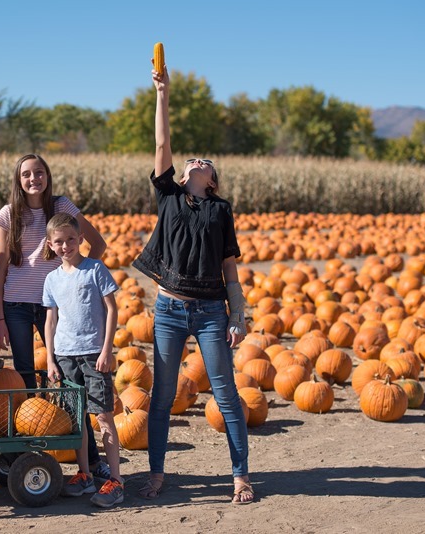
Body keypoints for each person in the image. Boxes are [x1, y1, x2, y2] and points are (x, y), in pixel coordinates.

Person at [132, 61, 253, 504]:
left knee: (226, 393)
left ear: (213, 180)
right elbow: (162, 141)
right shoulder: (168, 196)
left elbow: (230, 270)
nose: (195, 158)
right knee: (161, 396)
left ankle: (240, 476)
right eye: (191, 160)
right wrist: (162, 94)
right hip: (167, 310)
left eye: (205, 162)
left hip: (208, 313)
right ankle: (158, 474)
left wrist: (238, 316)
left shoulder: (221, 212)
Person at [0, 154, 112, 481]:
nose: (34, 179)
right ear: (19, 179)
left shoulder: (62, 207)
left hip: (55, 307)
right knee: (25, 381)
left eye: (39, 172)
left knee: (67, 382)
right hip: (15, 303)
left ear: (47, 175)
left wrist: (78, 277)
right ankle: (25, 457)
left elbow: (97, 243)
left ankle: (90, 459)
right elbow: (1, 265)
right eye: (27, 174)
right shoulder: (8, 214)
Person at [42, 213, 123, 508]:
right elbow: (50, 321)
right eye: (59, 242)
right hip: (65, 356)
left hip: (93, 354)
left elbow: (112, 310)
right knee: (78, 422)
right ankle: (85, 475)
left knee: (103, 416)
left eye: (71, 240)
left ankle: (115, 480)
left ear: (80, 240)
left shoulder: (95, 269)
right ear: (51, 245)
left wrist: (106, 350)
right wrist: (50, 359)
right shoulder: (51, 279)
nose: (66, 246)